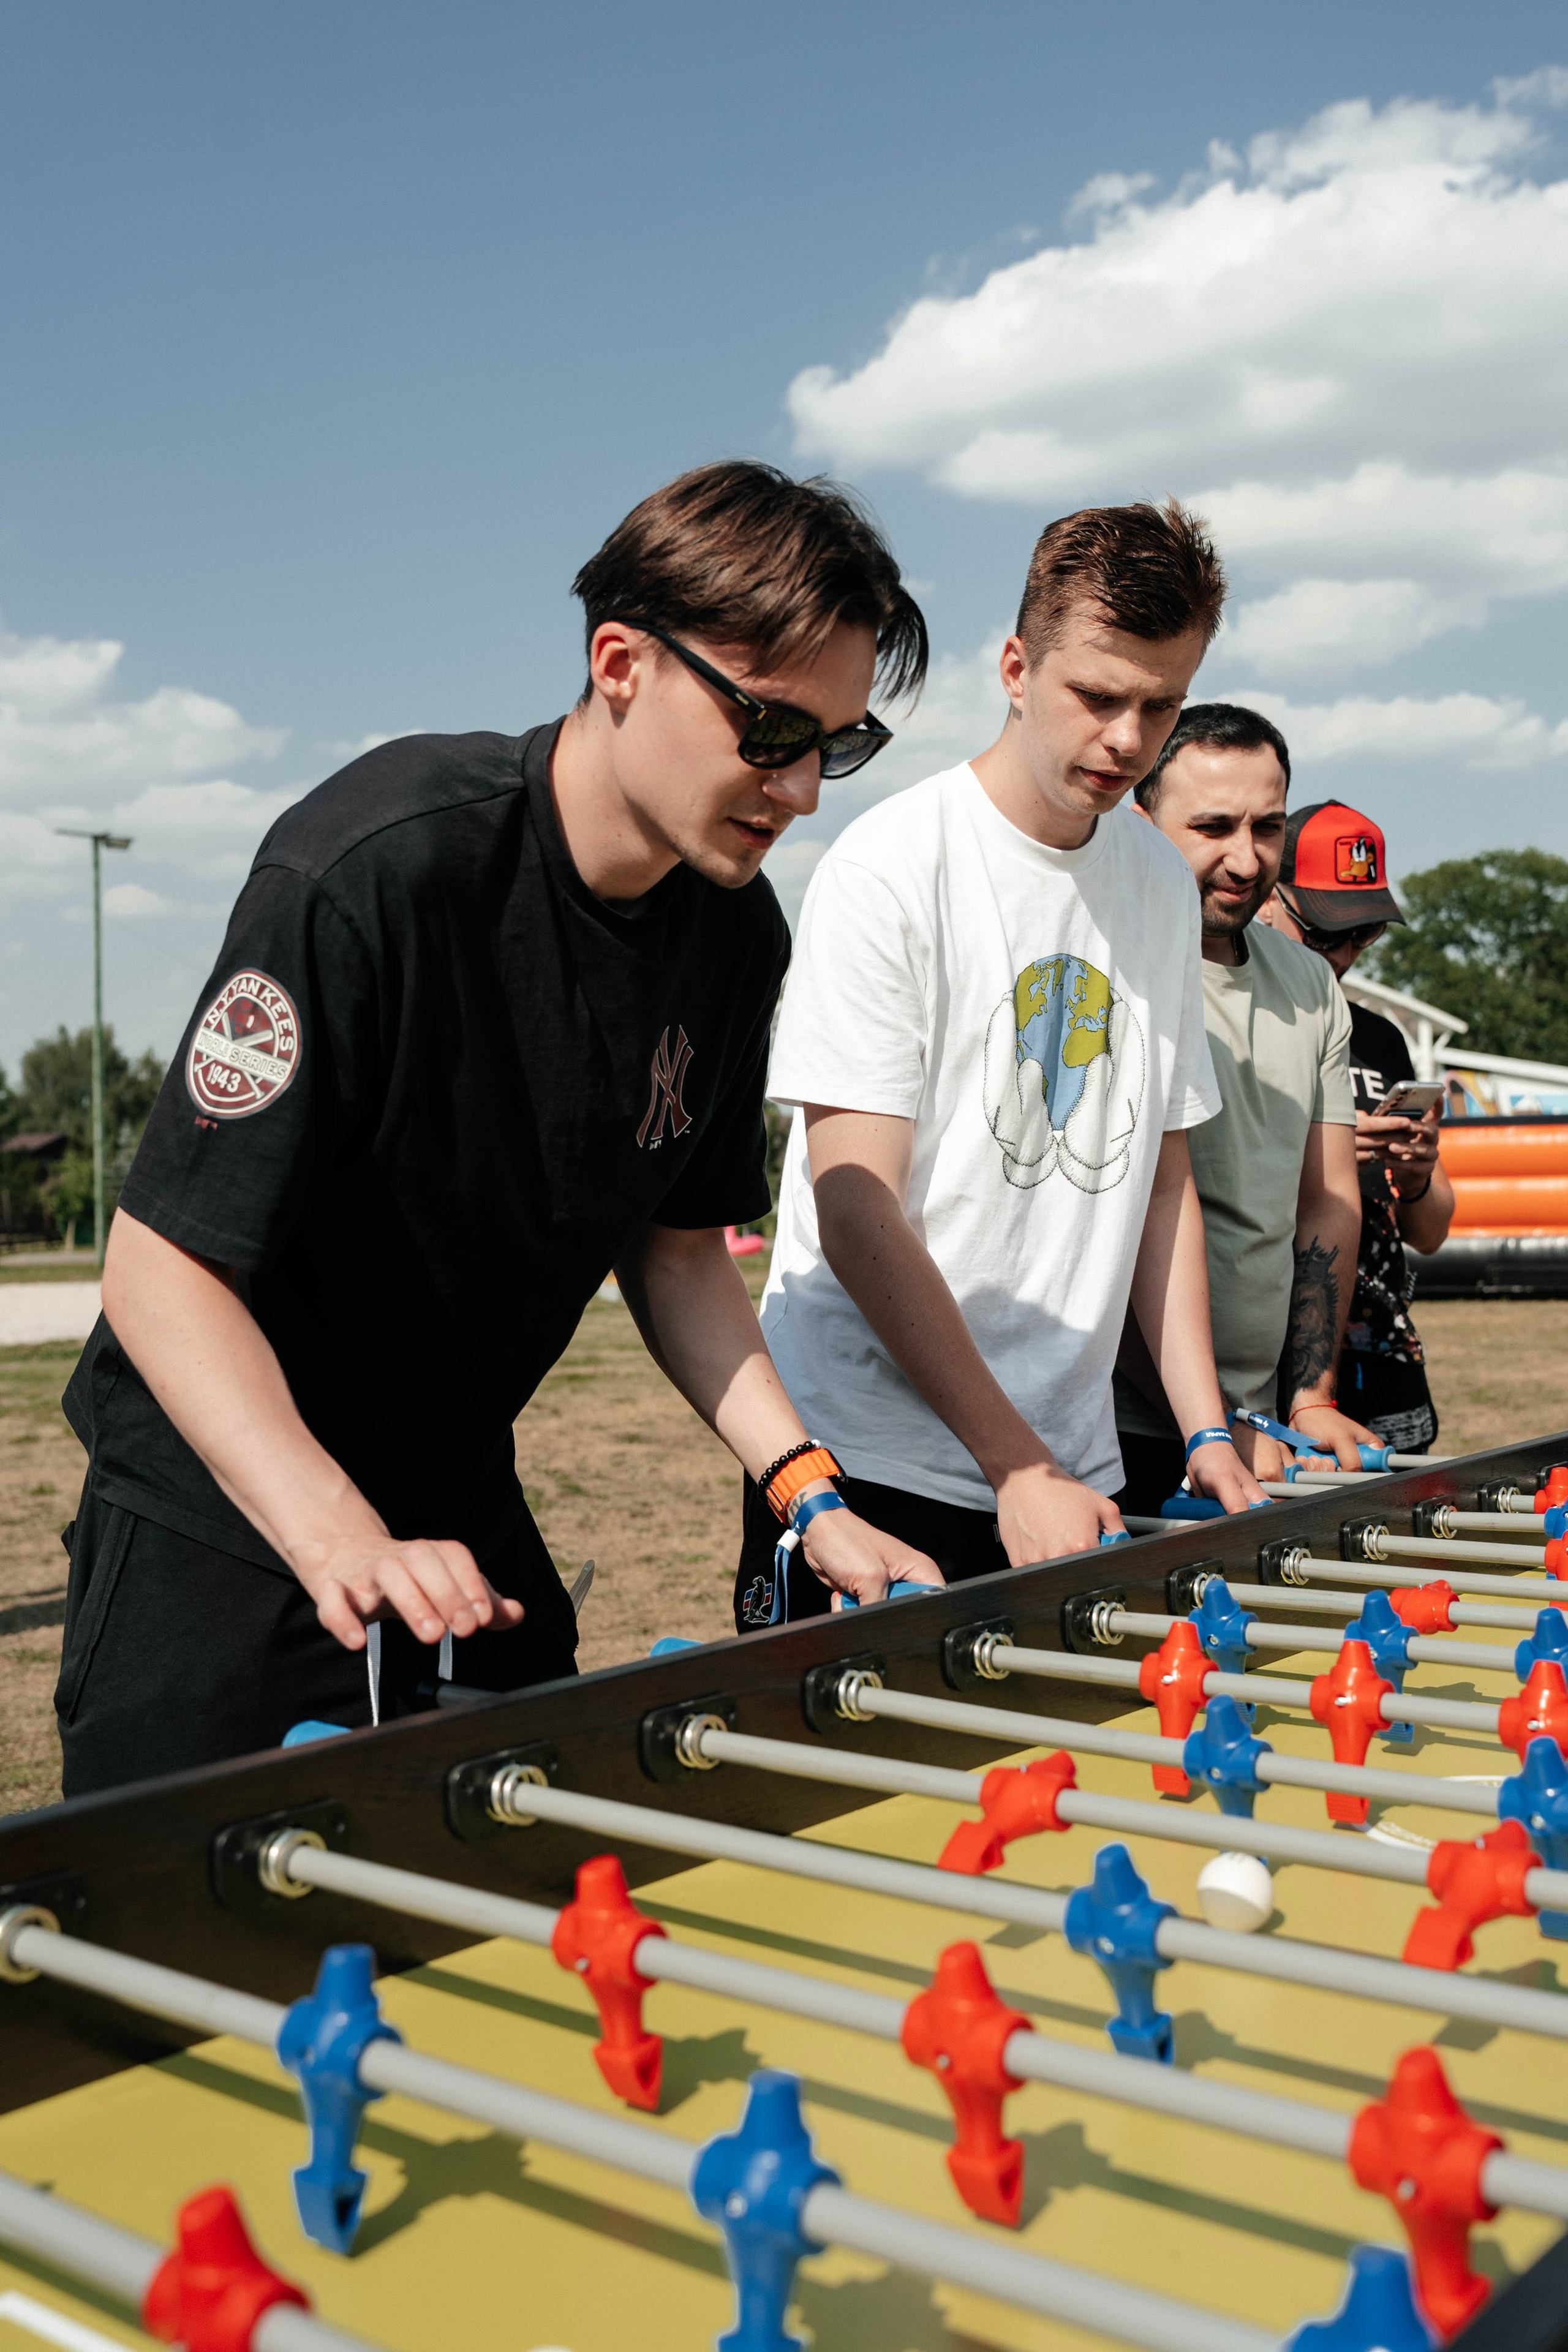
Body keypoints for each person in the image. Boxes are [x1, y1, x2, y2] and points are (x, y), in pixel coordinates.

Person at [58, 460, 944, 1795]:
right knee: (187, 1960)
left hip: (454, 1496)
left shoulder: (731, 931)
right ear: (621, 662)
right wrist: (342, 1538)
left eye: (837, 742)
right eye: (768, 729)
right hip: (224, 1515)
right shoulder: (378, 863)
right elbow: (160, 1270)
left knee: (536, 1891)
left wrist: (806, 1494)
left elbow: (680, 1252)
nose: (802, 786)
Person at [734, 501, 1266, 1632]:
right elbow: (852, 1205)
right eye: (1099, 696)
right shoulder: (891, 863)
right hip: (872, 1462)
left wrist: (1204, 1426)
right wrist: (1011, 1462)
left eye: (1160, 704)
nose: (1129, 739)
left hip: (1071, 1466)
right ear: (1017, 668)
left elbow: (1160, 1178)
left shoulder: (1160, 884)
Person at [1116, 705, 1379, 1506]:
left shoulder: (1308, 984)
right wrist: (1211, 1420)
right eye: (1212, 826)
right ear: (1140, 821)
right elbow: (1110, 1226)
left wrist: (1309, 1397)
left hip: (1260, 1426)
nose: (1244, 858)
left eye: (1267, 827)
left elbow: (1328, 1202)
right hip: (1115, 1425)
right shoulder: (1105, 965)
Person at [1256, 801, 1454, 1452]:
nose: (1342, 955)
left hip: (1382, 1351)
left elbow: (1429, 1233)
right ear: (1263, 898)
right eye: (1321, 933)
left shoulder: (1377, 1037)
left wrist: (1416, 1174)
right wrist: (1324, 1156)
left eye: (1363, 934)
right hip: (1272, 1358)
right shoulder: (1229, 1028)